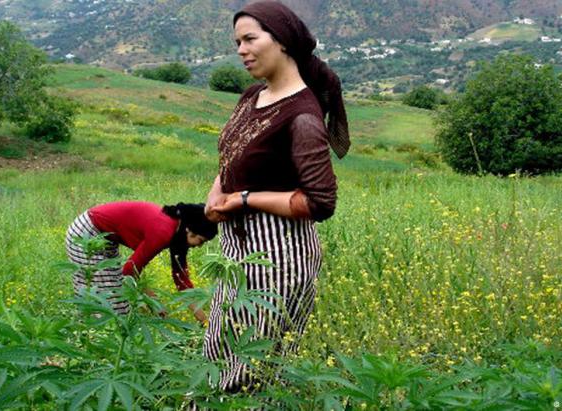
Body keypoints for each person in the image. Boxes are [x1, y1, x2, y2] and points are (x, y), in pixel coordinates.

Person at [202, 0, 350, 392]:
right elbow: (233, 153)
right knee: (217, 351)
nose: (241, 50)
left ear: (282, 41)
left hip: (278, 257)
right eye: (237, 42)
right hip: (238, 251)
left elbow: (320, 202)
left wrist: (244, 199)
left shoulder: (302, 116)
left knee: (249, 372)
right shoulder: (252, 96)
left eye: (250, 39)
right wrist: (216, 193)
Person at [66, 201, 217, 321]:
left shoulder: (178, 234)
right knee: (104, 299)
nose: (199, 246)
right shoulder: (163, 232)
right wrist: (154, 303)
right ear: (188, 229)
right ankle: (89, 336)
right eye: (200, 240)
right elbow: (129, 271)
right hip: (86, 233)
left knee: (117, 298)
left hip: (106, 238)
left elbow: (181, 281)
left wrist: (204, 321)